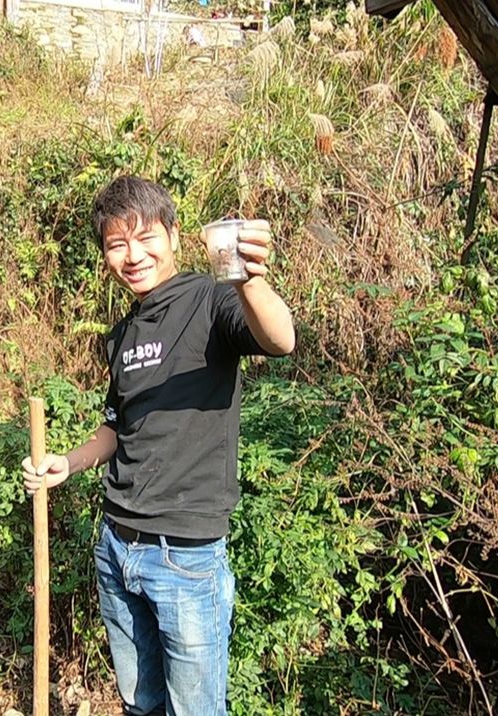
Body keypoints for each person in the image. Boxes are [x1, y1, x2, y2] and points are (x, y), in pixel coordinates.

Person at [21, 176, 295, 715]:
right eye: (116, 244)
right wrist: (66, 464)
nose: (132, 255)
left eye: (145, 237)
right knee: (138, 704)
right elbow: (116, 427)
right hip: (117, 545)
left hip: (185, 558)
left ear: (172, 234)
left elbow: (280, 338)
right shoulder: (121, 335)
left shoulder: (213, 300)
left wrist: (251, 280)